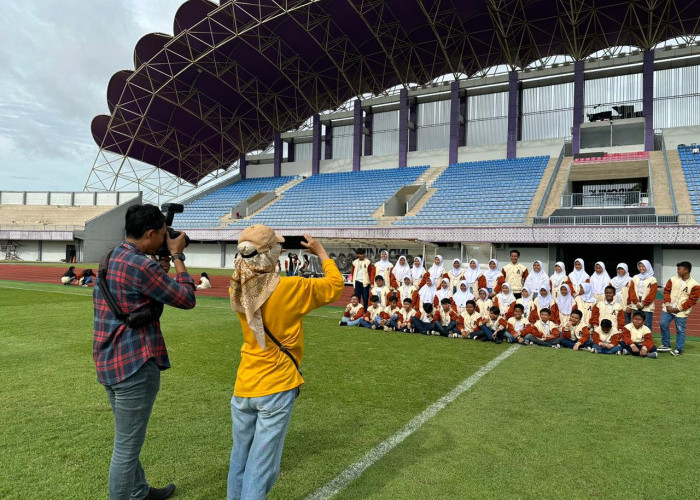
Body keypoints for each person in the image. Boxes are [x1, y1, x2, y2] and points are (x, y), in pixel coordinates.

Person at [228, 229, 343, 500]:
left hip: (244, 384)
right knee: (261, 465)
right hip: (276, 385)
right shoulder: (291, 287)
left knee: (239, 459)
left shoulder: (238, 284)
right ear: (270, 254)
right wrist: (322, 253)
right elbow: (335, 285)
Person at [93, 204, 196, 500]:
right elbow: (186, 299)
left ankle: (138, 492)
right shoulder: (142, 266)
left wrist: (159, 266)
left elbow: (136, 297)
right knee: (126, 447)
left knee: (128, 439)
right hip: (135, 363)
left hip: (108, 359)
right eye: (164, 233)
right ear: (151, 233)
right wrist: (176, 256)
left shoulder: (111, 256)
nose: (167, 237)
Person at [659, 261, 700, 356]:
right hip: (668, 308)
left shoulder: (695, 284)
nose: (677, 271)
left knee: (680, 330)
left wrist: (679, 308)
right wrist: (668, 304)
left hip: (681, 311)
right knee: (662, 324)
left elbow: (692, 300)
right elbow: (666, 292)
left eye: (679, 269)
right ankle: (666, 344)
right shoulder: (672, 279)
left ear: (686, 270)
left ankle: (679, 349)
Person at [628, 260, 657, 331]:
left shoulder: (652, 279)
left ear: (647, 267)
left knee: (647, 324)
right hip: (636, 305)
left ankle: (647, 341)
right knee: (635, 323)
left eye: (643, 266)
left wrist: (644, 303)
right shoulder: (635, 277)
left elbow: (652, 293)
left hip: (647, 306)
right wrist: (636, 302)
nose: (641, 268)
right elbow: (631, 291)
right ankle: (636, 339)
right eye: (640, 266)